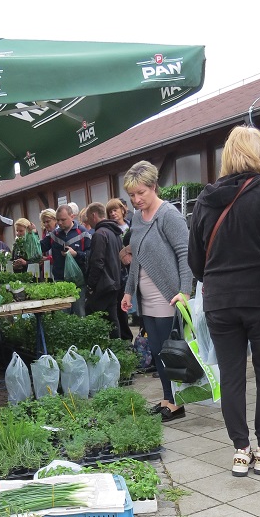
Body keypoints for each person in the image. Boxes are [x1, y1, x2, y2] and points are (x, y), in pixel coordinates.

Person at [188, 125, 260, 476]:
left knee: (231, 375)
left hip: (219, 300)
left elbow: (195, 261)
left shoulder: (206, 200)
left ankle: (240, 450)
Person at [121, 160, 193, 422]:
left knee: (167, 351)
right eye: (131, 195)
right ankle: (167, 398)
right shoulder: (138, 219)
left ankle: (175, 403)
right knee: (156, 351)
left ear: (154, 187)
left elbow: (186, 254)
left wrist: (185, 291)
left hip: (167, 296)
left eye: (141, 193)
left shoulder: (169, 215)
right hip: (145, 297)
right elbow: (136, 257)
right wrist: (128, 292)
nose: (136, 199)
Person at [84, 202, 122, 337]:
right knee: (113, 319)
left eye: (88, 217)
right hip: (115, 282)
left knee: (93, 317)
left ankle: (100, 349)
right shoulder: (114, 232)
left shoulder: (99, 234)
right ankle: (117, 348)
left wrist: (90, 285)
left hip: (103, 285)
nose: (87, 221)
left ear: (94, 215)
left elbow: (97, 262)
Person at [40, 204, 90, 282]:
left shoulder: (83, 232)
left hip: (79, 279)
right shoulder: (54, 234)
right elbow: (40, 248)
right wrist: (32, 234)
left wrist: (76, 254)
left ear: (72, 216)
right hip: (59, 279)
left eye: (63, 220)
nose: (59, 223)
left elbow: (90, 254)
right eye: (58, 220)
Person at [106, 198, 133, 340]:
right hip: (121, 273)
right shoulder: (111, 230)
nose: (113, 214)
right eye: (110, 211)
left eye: (115, 210)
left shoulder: (131, 226)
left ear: (123, 210)